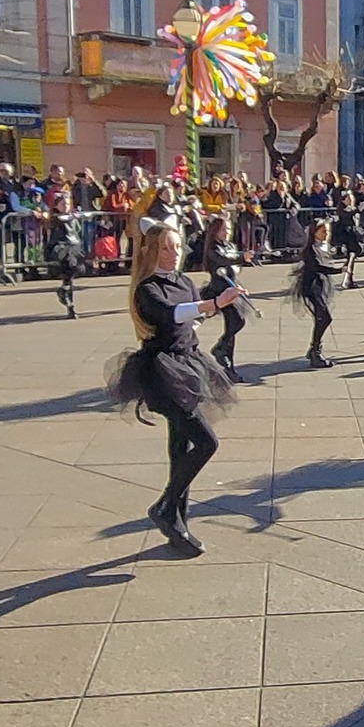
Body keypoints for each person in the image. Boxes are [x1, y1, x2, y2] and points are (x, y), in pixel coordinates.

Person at [108, 216, 242, 556]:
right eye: (166, 248)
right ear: (151, 251)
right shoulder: (147, 289)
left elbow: (190, 318)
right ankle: (166, 507)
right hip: (161, 371)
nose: (175, 253)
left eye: (178, 246)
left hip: (189, 364)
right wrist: (214, 304)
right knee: (206, 442)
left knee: (181, 446)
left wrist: (208, 310)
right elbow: (172, 313)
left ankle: (177, 523)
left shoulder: (183, 280)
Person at [200, 213, 248, 383]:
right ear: (215, 232)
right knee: (237, 321)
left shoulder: (230, 246)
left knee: (233, 325)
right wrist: (241, 257)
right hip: (220, 291)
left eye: (228, 229)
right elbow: (224, 260)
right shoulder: (213, 249)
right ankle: (221, 349)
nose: (227, 232)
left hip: (232, 288)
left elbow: (234, 265)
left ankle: (228, 365)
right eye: (223, 230)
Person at [294, 217, 339, 367]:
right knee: (324, 317)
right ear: (315, 232)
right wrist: (339, 270)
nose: (326, 234)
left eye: (328, 231)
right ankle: (315, 350)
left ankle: (315, 348)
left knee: (322, 318)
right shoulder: (311, 249)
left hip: (319, 285)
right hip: (312, 287)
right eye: (323, 231)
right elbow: (319, 267)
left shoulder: (322, 246)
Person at [44, 192, 86, 319]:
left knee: (79, 270)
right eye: (63, 204)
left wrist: (78, 216)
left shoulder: (72, 217)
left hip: (74, 247)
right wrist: (74, 216)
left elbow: (77, 231)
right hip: (62, 248)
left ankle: (64, 291)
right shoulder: (55, 217)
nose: (66, 206)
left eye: (67, 204)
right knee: (70, 266)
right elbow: (62, 219)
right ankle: (70, 308)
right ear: (57, 205)